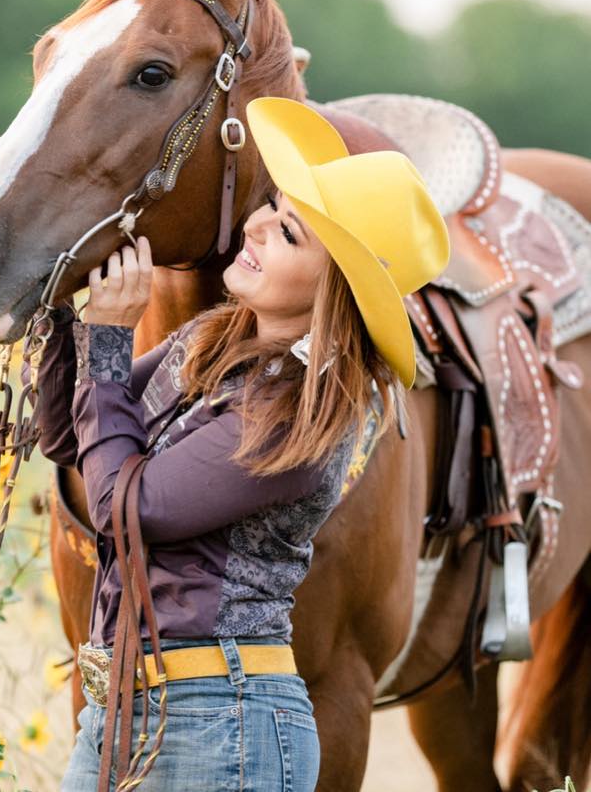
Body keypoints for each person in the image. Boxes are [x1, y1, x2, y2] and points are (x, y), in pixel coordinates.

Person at [23, 97, 451, 791]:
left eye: (286, 232)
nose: (253, 224)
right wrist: (62, 303)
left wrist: (106, 340)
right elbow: (75, 437)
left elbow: (127, 508)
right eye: (271, 205)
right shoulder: (204, 345)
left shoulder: (298, 410)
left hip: (220, 721)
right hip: (131, 710)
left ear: (329, 290)